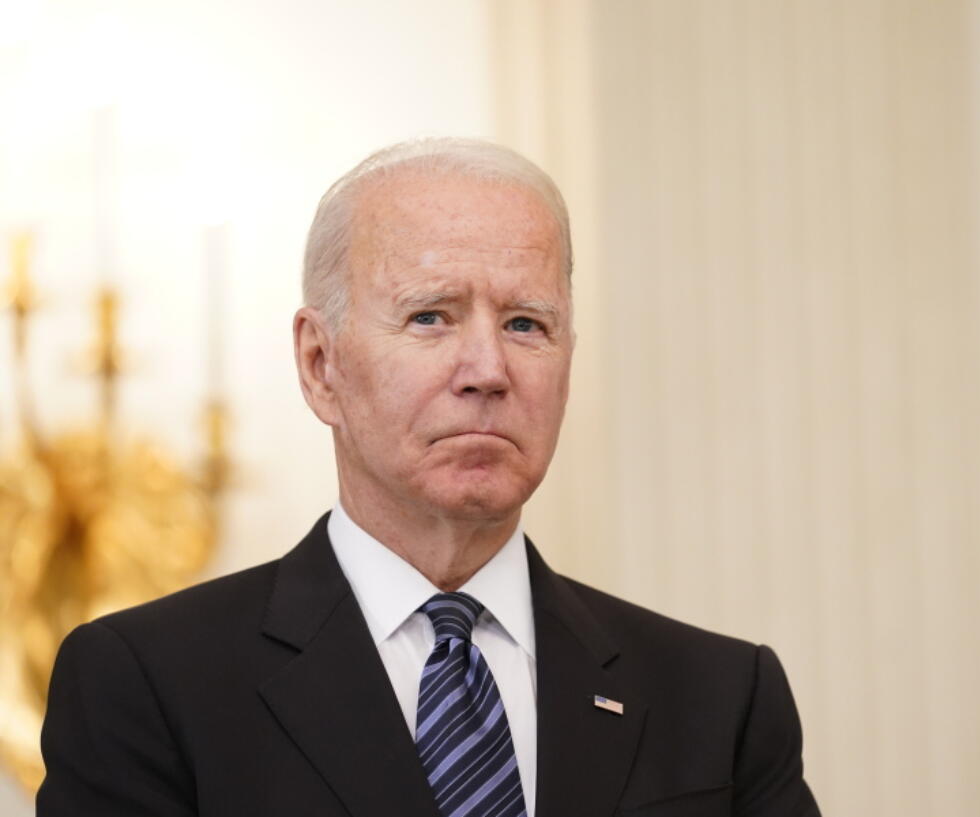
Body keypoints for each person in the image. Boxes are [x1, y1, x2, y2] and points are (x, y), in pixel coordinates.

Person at [36, 138, 821, 817]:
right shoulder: (148, 684)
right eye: (431, 317)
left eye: (526, 324)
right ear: (321, 365)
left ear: (569, 361)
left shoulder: (720, 698)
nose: (487, 369)